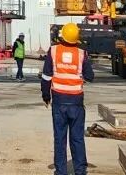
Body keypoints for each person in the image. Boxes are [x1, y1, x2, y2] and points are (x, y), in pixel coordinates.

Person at [41, 23, 94, 175]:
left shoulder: (53, 51)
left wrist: (46, 96)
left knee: (60, 138)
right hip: (76, 102)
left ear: (62, 36)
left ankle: (61, 171)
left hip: (59, 101)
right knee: (77, 138)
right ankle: (80, 171)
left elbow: (46, 76)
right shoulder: (81, 53)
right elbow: (90, 76)